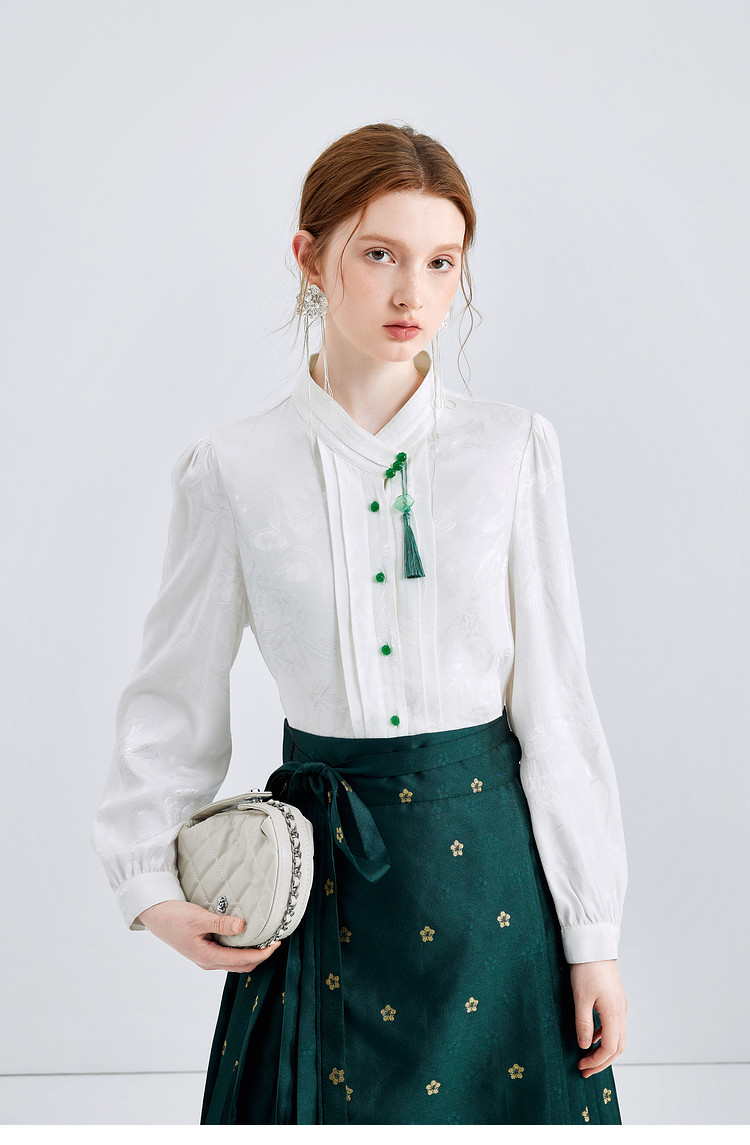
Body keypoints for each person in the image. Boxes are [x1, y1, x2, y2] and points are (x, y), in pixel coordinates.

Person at [91, 121, 628, 1126]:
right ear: (309, 257)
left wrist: (591, 933)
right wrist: (147, 881)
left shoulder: (512, 452)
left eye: (441, 261)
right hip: (318, 892)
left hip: (495, 894)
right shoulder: (232, 471)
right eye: (379, 253)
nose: (411, 292)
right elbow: (172, 697)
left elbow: (557, 707)